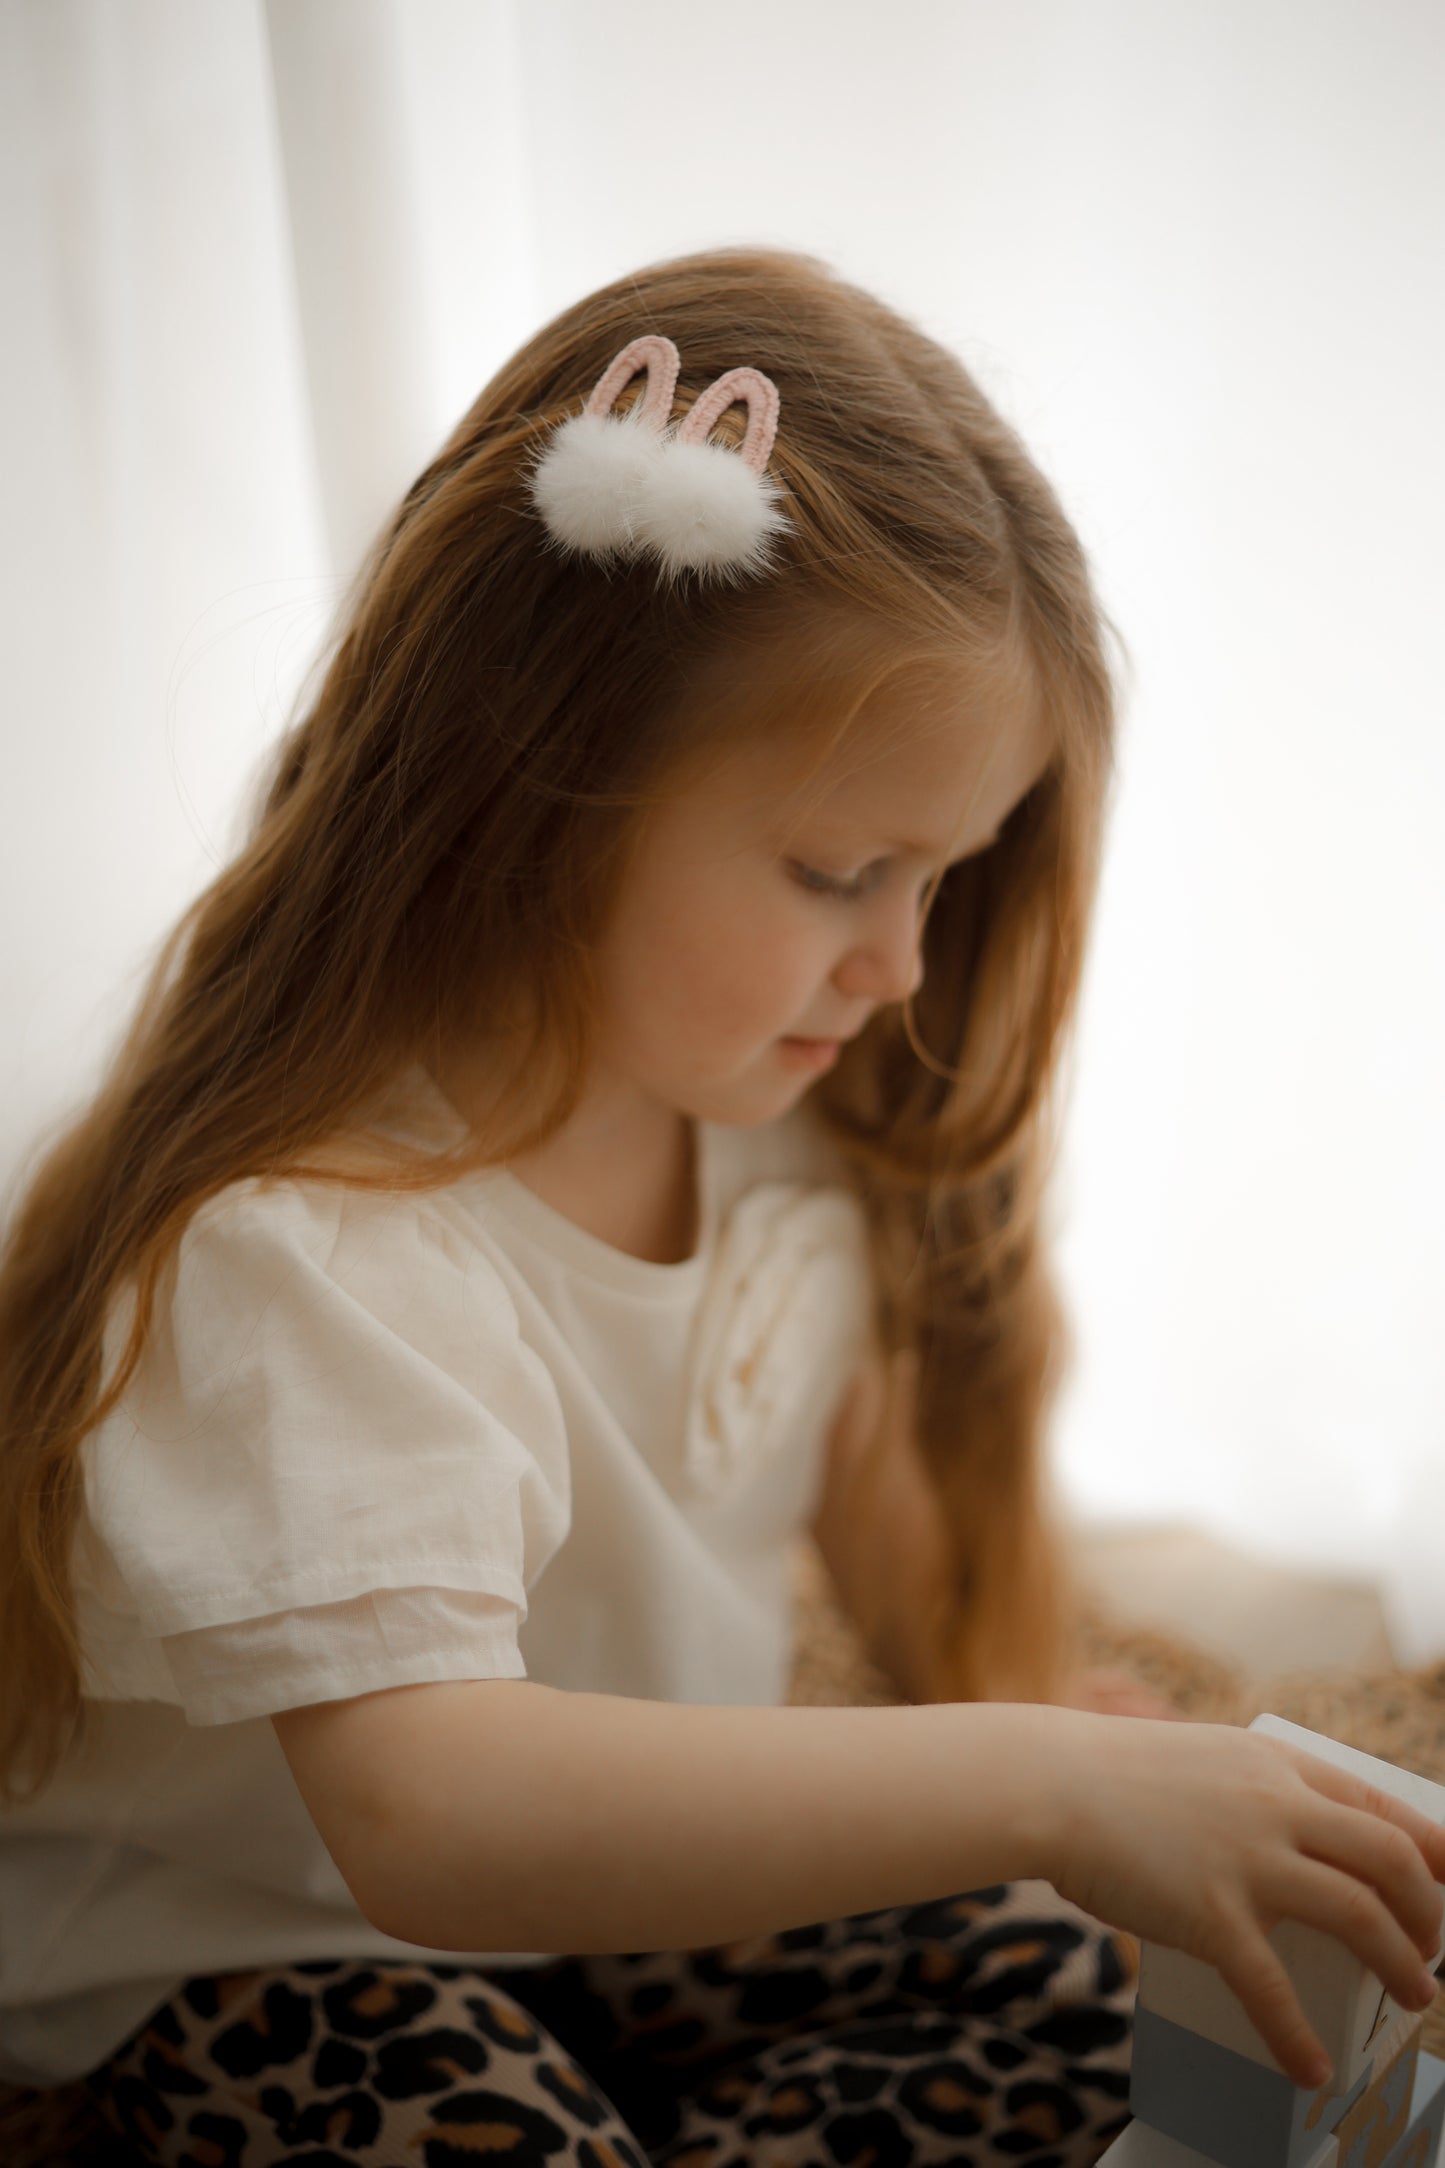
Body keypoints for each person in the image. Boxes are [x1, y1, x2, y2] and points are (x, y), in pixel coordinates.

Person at [0, 246, 1440, 2168]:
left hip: (615, 1908)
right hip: (264, 1953)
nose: (904, 966)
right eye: (845, 866)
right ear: (532, 787)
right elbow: (436, 1820)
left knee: (1074, 1985)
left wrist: (1043, 1725)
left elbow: (878, 1518)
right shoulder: (309, 1238)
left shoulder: (772, 1127)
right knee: (444, 2089)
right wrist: (1033, 1775)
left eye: (943, 875)